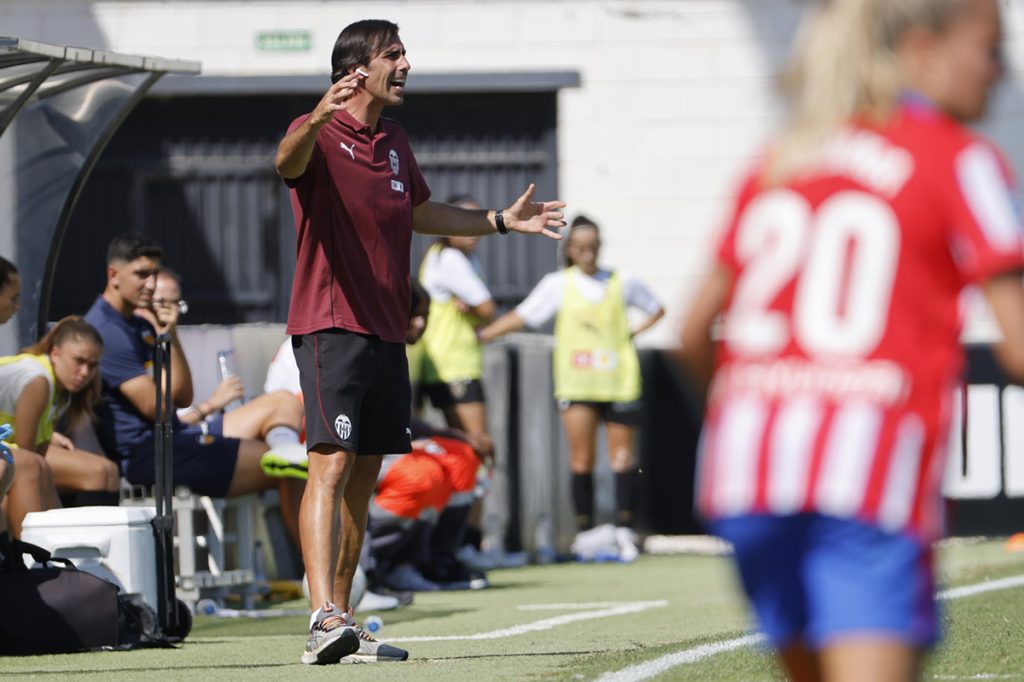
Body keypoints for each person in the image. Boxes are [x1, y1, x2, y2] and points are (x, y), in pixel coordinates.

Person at [676, 1, 1022, 680]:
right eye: (990, 49)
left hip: (745, 472)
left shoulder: (781, 159)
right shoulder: (958, 157)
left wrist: (758, 408)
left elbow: (692, 334)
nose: (1003, 73)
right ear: (922, 48)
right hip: (867, 474)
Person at [274, 18, 565, 665]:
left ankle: (342, 624)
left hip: (383, 332)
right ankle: (320, 617)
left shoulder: (395, 139)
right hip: (331, 325)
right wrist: (318, 116)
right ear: (356, 69)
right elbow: (285, 161)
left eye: (404, 54)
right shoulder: (316, 132)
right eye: (394, 55)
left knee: (364, 477)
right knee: (330, 465)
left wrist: (499, 222)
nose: (406, 64)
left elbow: (422, 211)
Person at [84, 233, 306, 545]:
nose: (149, 284)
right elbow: (159, 409)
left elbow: (181, 396)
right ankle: (321, 569)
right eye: (141, 275)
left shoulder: (138, 324)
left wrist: (169, 332)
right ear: (113, 275)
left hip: (176, 436)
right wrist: (208, 406)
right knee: (294, 467)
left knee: (283, 403)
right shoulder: (108, 331)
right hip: (151, 456)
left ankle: (286, 449)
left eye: (153, 274)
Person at [480, 214, 664, 561]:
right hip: (577, 382)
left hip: (618, 381)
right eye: (580, 247)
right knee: (582, 458)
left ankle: (625, 530)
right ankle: (587, 532)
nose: (588, 253)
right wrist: (486, 334)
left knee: (623, 458)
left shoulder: (622, 281)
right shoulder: (558, 284)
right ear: (570, 250)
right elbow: (524, 315)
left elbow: (657, 309)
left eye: (593, 247)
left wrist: (633, 333)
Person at [0, 317, 121, 535]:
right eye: (79, 361)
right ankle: (32, 557)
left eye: (92, 365)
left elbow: (39, 453)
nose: (84, 372)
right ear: (55, 354)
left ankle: (67, 548)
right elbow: (27, 455)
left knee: (101, 471)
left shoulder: (61, 392)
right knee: (32, 467)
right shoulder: (39, 380)